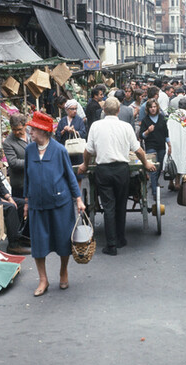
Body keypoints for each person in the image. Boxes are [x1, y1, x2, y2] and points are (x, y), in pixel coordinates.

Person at [77, 97, 156, 255]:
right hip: (122, 170)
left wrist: (85, 165)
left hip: (103, 170)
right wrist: (146, 163)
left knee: (108, 207)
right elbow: (138, 150)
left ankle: (111, 245)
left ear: (104, 110)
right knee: (121, 205)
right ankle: (121, 239)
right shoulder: (126, 126)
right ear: (119, 111)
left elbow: (88, 150)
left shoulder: (96, 126)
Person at [23, 111, 87, 296]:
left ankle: (63, 271)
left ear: (43, 131)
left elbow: (70, 176)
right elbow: (27, 176)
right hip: (37, 203)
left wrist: (79, 199)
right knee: (38, 242)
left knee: (63, 240)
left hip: (61, 203)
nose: (31, 133)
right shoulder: (29, 150)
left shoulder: (59, 150)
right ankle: (43, 279)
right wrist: (26, 201)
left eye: (33, 130)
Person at [139, 97, 171, 203]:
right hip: (150, 146)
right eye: (151, 107)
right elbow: (142, 136)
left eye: (154, 107)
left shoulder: (161, 118)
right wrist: (148, 131)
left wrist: (169, 145)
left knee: (159, 166)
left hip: (161, 145)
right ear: (148, 109)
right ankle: (154, 192)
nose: (153, 109)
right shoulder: (145, 120)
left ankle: (154, 183)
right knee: (153, 169)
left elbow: (166, 132)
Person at [166, 96, 186, 190]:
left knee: (172, 160)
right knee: (180, 160)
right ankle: (177, 182)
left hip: (171, 140)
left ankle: (170, 182)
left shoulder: (172, 114)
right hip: (182, 141)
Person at [3, 114, 30, 198]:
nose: (17, 132)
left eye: (19, 129)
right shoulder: (8, 142)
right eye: (13, 130)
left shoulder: (31, 132)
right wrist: (34, 161)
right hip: (21, 184)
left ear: (25, 125)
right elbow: (13, 162)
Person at [54, 98, 87, 166]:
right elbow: (57, 136)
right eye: (72, 109)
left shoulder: (79, 120)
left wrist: (74, 132)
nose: (74, 111)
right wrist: (64, 130)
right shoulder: (62, 121)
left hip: (77, 152)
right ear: (67, 110)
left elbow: (83, 133)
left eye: (75, 109)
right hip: (65, 151)